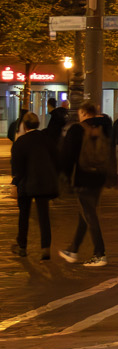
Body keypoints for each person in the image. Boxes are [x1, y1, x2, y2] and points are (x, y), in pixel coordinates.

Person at [59, 103, 109, 267]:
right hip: (100, 176)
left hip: (83, 177)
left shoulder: (76, 130)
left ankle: (99, 253)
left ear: (83, 113)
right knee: (86, 213)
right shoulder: (106, 127)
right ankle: (73, 250)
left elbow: (67, 156)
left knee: (89, 215)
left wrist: (65, 176)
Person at [11, 111, 58, 260]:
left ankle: (22, 246)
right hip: (43, 182)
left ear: (24, 125)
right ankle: (45, 247)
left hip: (26, 183)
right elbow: (56, 158)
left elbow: (17, 166)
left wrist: (15, 183)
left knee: (24, 215)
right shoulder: (46, 139)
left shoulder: (21, 142)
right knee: (44, 216)